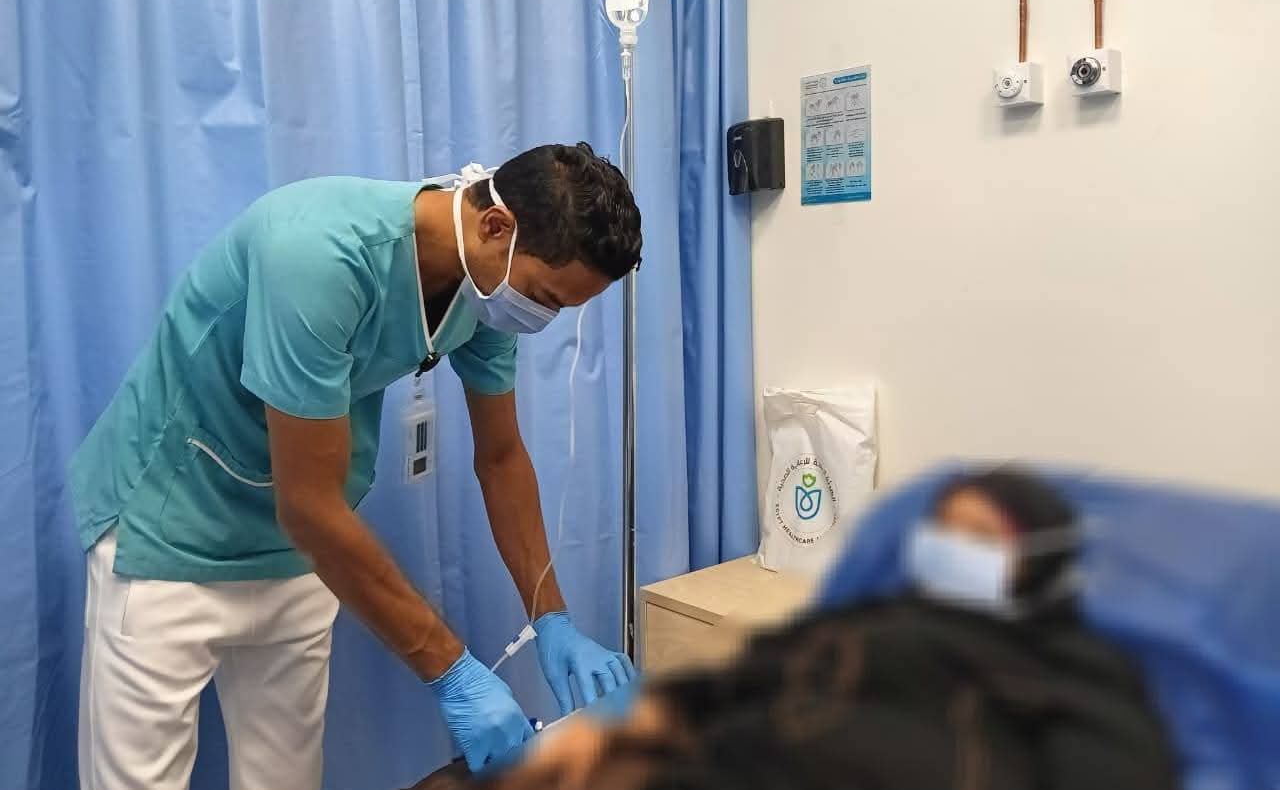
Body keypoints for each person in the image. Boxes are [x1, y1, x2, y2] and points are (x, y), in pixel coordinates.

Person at [71, 142, 641, 790]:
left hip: (301, 552)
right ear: (495, 226)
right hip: (172, 531)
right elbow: (309, 506)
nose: (542, 317)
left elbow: (502, 457)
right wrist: (452, 670)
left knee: (286, 779)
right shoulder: (318, 253)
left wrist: (551, 616)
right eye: (544, 297)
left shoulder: (484, 287)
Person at [418, 467, 1180, 790]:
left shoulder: (1087, 693)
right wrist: (628, 727)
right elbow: (747, 685)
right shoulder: (886, 631)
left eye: (976, 542)